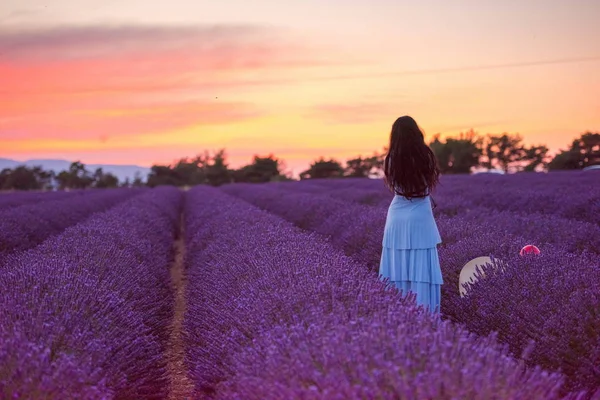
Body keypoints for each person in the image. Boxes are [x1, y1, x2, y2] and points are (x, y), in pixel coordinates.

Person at [379, 116, 443, 313]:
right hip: (420, 216)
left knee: (397, 268)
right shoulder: (426, 156)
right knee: (421, 268)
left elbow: (395, 186)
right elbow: (427, 185)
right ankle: (425, 315)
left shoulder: (390, 160)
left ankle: (399, 316)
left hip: (397, 216)